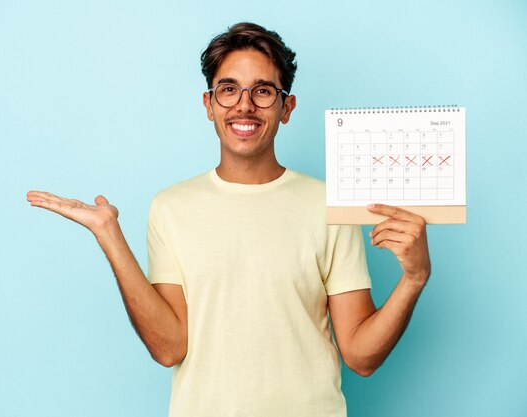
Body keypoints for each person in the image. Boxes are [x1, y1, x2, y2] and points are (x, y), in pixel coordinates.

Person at [27, 22, 431, 417]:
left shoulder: (330, 204)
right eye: (229, 89)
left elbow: (361, 356)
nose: (244, 105)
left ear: (287, 107)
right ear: (209, 104)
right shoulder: (171, 207)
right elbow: (168, 348)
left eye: (263, 91)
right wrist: (110, 236)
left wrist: (413, 280)